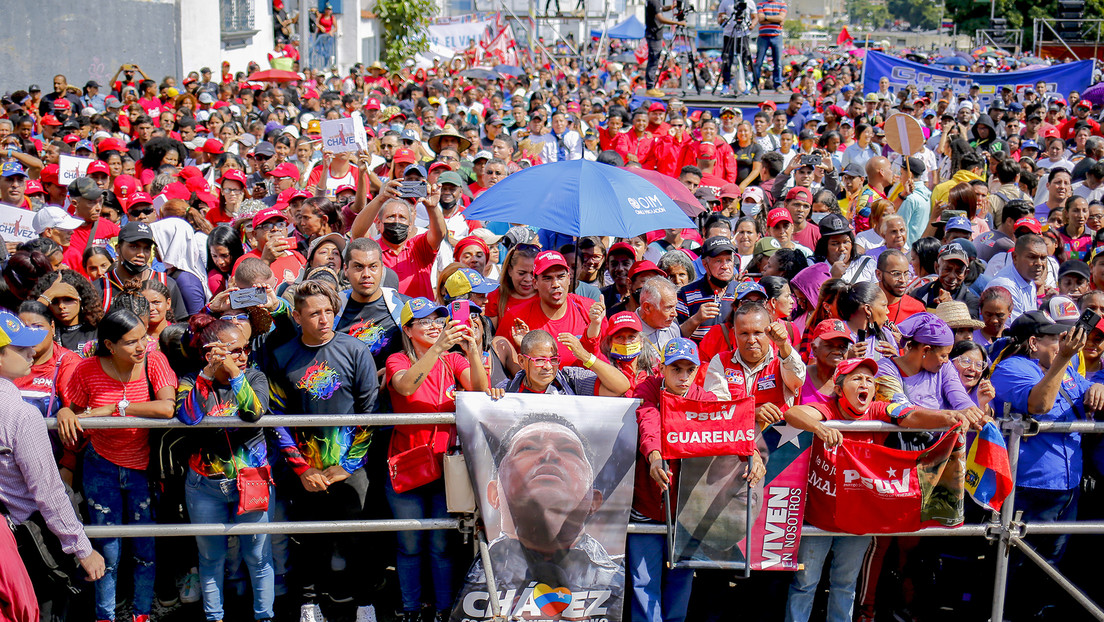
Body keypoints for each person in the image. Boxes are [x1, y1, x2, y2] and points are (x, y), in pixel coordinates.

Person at [783, 357, 978, 622]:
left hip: (859, 520)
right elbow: (794, 414)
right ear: (839, 389)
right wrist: (819, 428)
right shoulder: (827, 408)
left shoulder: (878, 410)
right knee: (805, 584)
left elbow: (911, 416)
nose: (865, 383)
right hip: (819, 519)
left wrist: (946, 417)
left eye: (869, 380)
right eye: (856, 378)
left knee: (845, 584)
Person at [56, 309, 178, 622]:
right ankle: (105, 616)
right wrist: (64, 414)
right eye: (131, 342)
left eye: (144, 339)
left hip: (143, 468)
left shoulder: (155, 360)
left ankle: (141, 614)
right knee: (107, 551)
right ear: (109, 345)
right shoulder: (86, 369)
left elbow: (167, 408)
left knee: (145, 549)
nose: (142, 347)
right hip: (101, 468)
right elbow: (74, 411)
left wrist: (115, 407)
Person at [628, 337, 762, 622]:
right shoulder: (648, 389)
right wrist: (654, 456)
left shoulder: (706, 399)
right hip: (647, 504)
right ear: (662, 368)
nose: (683, 376)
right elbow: (648, 420)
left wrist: (752, 455)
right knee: (644, 581)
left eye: (690, 369)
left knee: (681, 578)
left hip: (686, 509)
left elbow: (729, 430)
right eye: (676, 369)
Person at [990, 312, 1104, 619]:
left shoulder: (1065, 369)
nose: (1063, 343)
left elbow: (1089, 394)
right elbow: (1038, 405)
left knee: (1049, 569)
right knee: (1013, 566)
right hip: (1027, 487)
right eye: (1055, 338)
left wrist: (1100, 386)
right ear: (1033, 342)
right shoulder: (1011, 368)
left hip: (1067, 488)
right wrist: (1062, 359)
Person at [386, 297, 489, 622]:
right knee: (410, 547)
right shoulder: (397, 359)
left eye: (438, 319)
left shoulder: (453, 360)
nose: (434, 325)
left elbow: (480, 390)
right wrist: (438, 349)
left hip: (447, 470)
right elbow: (405, 386)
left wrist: (472, 348)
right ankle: (411, 611)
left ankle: (444, 610)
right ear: (407, 329)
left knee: (442, 547)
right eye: (424, 321)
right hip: (408, 468)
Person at [0, 310, 106, 620]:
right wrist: (82, 550)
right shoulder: (22, 415)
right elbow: (48, 491)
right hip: (29, 542)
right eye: (19, 348)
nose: (31, 352)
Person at [176, 315, 275, 622]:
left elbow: (254, 412)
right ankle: (214, 617)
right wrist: (207, 377)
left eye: (246, 349)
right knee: (210, 558)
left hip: (252, 480)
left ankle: (265, 616)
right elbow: (188, 417)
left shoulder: (255, 377)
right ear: (210, 353)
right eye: (235, 351)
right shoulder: (190, 381)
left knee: (258, 557)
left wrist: (234, 374)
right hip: (204, 486)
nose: (244, 356)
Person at [495, 250, 607, 369]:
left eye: (561, 276)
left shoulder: (589, 310)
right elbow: (500, 358)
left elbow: (608, 360)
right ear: (535, 283)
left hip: (585, 385)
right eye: (547, 278)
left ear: (569, 278)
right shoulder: (516, 317)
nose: (555, 284)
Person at [703, 302, 805, 427]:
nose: (751, 340)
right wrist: (751, 413)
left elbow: (798, 379)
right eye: (744, 333)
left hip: (777, 444)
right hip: (735, 442)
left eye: (757, 332)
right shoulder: (721, 361)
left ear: (769, 332)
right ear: (734, 334)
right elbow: (716, 409)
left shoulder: (782, 359)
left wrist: (783, 345)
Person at [677, 237, 737, 341]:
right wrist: (696, 319)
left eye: (729, 260)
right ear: (705, 264)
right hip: (699, 356)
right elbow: (676, 337)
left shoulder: (742, 292)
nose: (725, 266)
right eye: (718, 261)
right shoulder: (686, 294)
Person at [988, 234, 1048, 321]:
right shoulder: (1004, 286)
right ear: (1015, 257)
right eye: (1032, 257)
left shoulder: (1028, 278)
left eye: (1043, 258)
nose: (1039, 263)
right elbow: (1016, 329)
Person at [912, 244, 980, 318]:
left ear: (965, 274)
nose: (952, 276)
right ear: (937, 268)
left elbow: (968, 327)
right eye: (947, 269)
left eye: (959, 271)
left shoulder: (970, 301)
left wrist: (949, 307)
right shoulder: (919, 294)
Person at [644, 0, 686, 97]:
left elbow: (660, 9)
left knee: (655, 60)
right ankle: (650, 88)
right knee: (653, 61)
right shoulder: (654, 1)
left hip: (655, 35)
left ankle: (651, 87)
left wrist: (670, 7)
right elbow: (660, 18)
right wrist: (678, 23)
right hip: (654, 35)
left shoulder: (655, 2)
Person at [751, 0, 786, 92]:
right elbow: (761, 19)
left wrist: (766, 18)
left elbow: (781, 18)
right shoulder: (760, 4)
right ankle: (755, 85)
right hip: (763, 36)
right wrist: (776, 19)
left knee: (777, 63)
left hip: (777, 36)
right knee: (758, 62)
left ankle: (778, 85)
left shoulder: (782, 4)